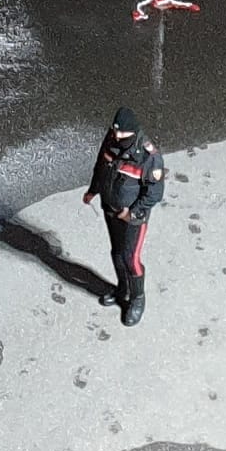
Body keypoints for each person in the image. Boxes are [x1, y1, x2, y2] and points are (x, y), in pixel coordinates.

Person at [84, 106, 166, 328]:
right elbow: (101, 167)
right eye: (116, 131)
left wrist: (132, 213)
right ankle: (122, 289)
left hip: (133, 218)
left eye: (123, 133)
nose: (118, 136)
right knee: (117, 254)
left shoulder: (149, 157)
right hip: (110, 208)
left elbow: (154, 194)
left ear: (134, 131)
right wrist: (93, 190)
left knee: (131, 258)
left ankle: (137, 299)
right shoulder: (112, 139)